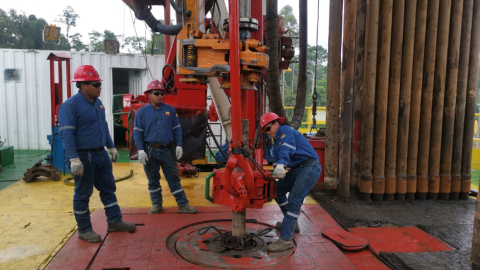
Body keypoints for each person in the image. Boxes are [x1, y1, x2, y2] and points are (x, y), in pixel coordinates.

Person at [59, 65, 136, 243]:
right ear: (83, 85)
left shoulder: (98, 103)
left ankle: (115, 222)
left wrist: (111, 147)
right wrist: (73, 158)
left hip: (100, 154)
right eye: (95, 84)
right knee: (83, 193)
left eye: (99, 83)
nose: (99, 87)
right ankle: (84, 229)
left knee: (109, 189)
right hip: (83, 156)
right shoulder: (70, 106)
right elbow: (66, 133)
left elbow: (104, 127)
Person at [133, 80, 198, 214]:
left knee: (173, 179)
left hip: (167, 150)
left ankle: (183, 205)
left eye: (161, 93)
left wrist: (179, 145)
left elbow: (177, 129)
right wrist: (140, 150)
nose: (160, 96)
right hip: (149, 151)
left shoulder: (170, 110)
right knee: (153, 180)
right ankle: (157, 205)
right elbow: (137, 132)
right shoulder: (141, 112)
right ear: (149, 95)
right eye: (156, 93)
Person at [261, 112, 322, 252]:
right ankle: (292, 224)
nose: (267, 132)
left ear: (277, 123)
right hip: (297, 169)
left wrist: (282, 164)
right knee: (278, 191)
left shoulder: (285, 131)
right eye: (265, 130)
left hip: (309, 166)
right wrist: (277, 168)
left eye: (268, 128)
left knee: (294, 199)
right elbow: (278, 160)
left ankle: (285, 240)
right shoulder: (276, 142)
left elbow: (286, 149)